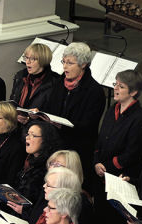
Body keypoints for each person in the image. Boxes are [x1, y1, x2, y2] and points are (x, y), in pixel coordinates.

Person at [93, 70, 142, 224]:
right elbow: (100, 139)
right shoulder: (112, 109)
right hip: (102, 177)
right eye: (116, 84)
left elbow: (134, 153)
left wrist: (109, 166)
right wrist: (97, 161)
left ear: (133, 92)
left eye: (121, 86)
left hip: (120, 180)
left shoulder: (140, 118)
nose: (115, 89)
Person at [42, 42, 106, 195]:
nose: (65, 67)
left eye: (70, 63)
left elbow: (88, 125)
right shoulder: (59, 84)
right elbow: (50, 108)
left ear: (83, 64)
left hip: (78, 150)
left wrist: (62, 125)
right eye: (64, 61)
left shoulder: (94, 91)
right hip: (56, 144)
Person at [5, 121, 62, 224]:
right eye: (28, 134)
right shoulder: (29, 160)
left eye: (34, 135)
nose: (27, 137)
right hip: (16, 217)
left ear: (45, 141)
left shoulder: (49, 169)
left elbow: (44, 206)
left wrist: (25, 211)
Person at [9, 43, 57, 110]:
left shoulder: (54, 83)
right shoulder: (20, 76)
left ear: (42, 60)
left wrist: (34, 117)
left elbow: (52, 113)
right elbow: (12, 103)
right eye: (26, 58)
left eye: (32, 59)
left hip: (37, 120)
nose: (27, 62)